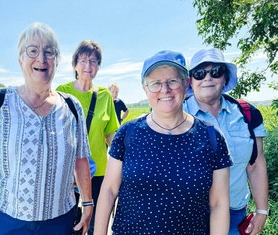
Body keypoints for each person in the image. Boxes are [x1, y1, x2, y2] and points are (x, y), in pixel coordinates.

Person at [0, 22, 93, 235]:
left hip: (59, 221)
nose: (41, 58)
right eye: (32, 51)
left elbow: (81, 160)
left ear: (57, 61)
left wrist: (87, 202)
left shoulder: (72, 107)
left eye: (49, 52)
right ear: (20, 59)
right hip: (7, 220)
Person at [94, 50, 232, 235]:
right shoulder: (128, 133)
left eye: (172, 81)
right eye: (155, 83)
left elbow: (218, 204)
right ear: (145, 89)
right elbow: (109, 191)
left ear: (186, 84)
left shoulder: (211, 137)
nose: (164, 89)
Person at [183, 48, 269, 235]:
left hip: (234, 214)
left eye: (216, 72)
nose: (207, 78)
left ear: (224, 79)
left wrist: (262, 210)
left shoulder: (247, 114)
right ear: (191, 81)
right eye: (199, 73)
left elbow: (256, 164)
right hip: (187, 216)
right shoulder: (174, 115)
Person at [56, 40, 119, 235]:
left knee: (96, 224)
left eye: (93, 61)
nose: (88, 66)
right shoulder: (61, 92)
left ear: (98, 66)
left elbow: (111, 135)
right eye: (82, 60)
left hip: (98, 171)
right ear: (74, 64)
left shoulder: (105, 96)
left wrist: (123, 164)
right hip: (68, 172)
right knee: (69, 224)